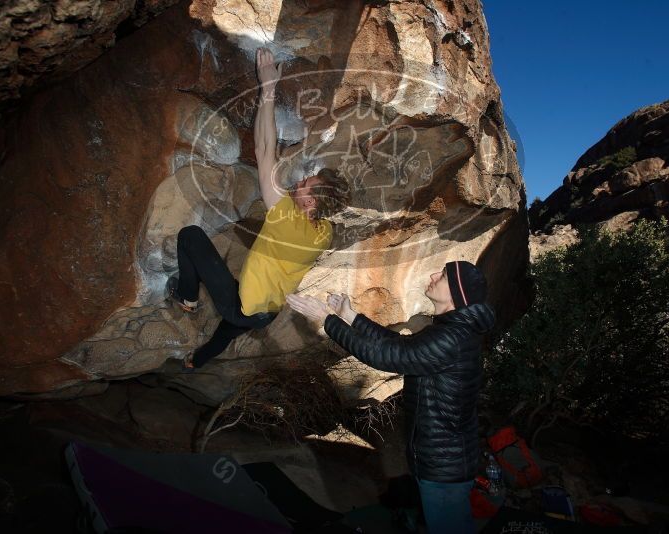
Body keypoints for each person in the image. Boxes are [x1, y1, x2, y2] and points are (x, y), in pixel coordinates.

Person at [169, 48, 349, 370]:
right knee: (230, 330)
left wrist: (268, 89)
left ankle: (186, 298)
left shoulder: (285, 218)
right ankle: (198, 360)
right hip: (267, 311)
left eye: (308, 183)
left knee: (190, 236)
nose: (302, 179)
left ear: (310, 202)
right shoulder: (324, 232)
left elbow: (263, 150)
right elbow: (272, 160)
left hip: (244, 304)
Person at [287, 261, 495, 534]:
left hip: (444, 469)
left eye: (442, 275)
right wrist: (351, 317)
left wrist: (327, 320)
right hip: (443, 462)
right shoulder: (452, 331)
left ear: (457, 293)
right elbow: (399, 344)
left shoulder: (451, 338)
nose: (433, 275)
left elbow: (387, 356)